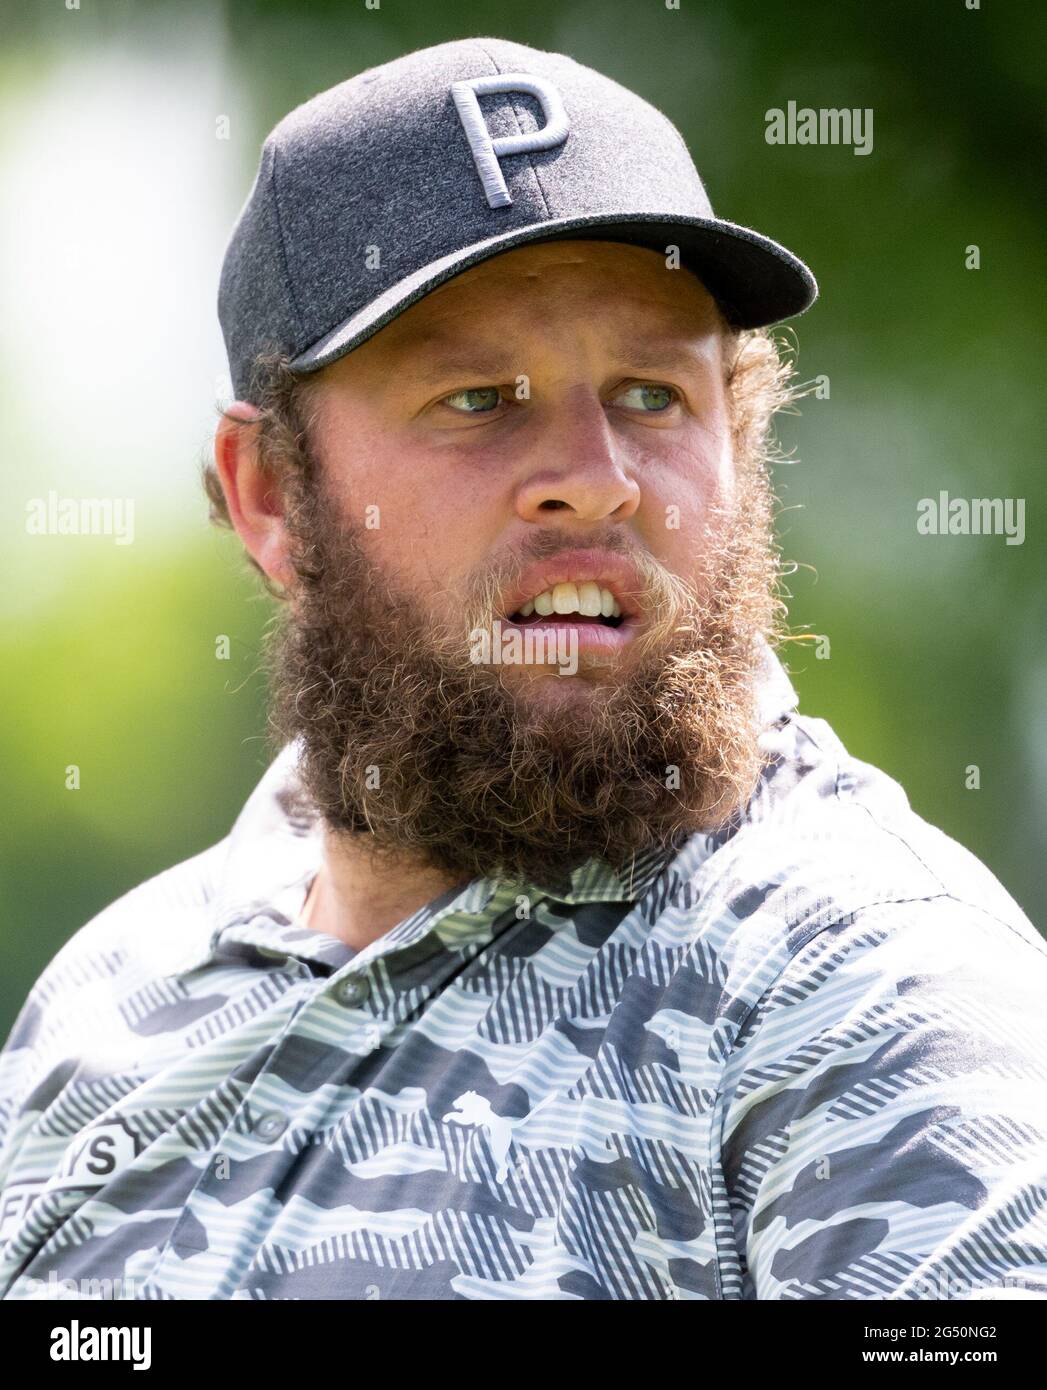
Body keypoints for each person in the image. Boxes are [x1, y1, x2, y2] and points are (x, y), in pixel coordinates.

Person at [1, 37, 1044, 1302]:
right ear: (271, 492)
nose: (596, 474)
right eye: (482, 397)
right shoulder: (107, 1005)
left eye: (655, 395)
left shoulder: (865, 994)